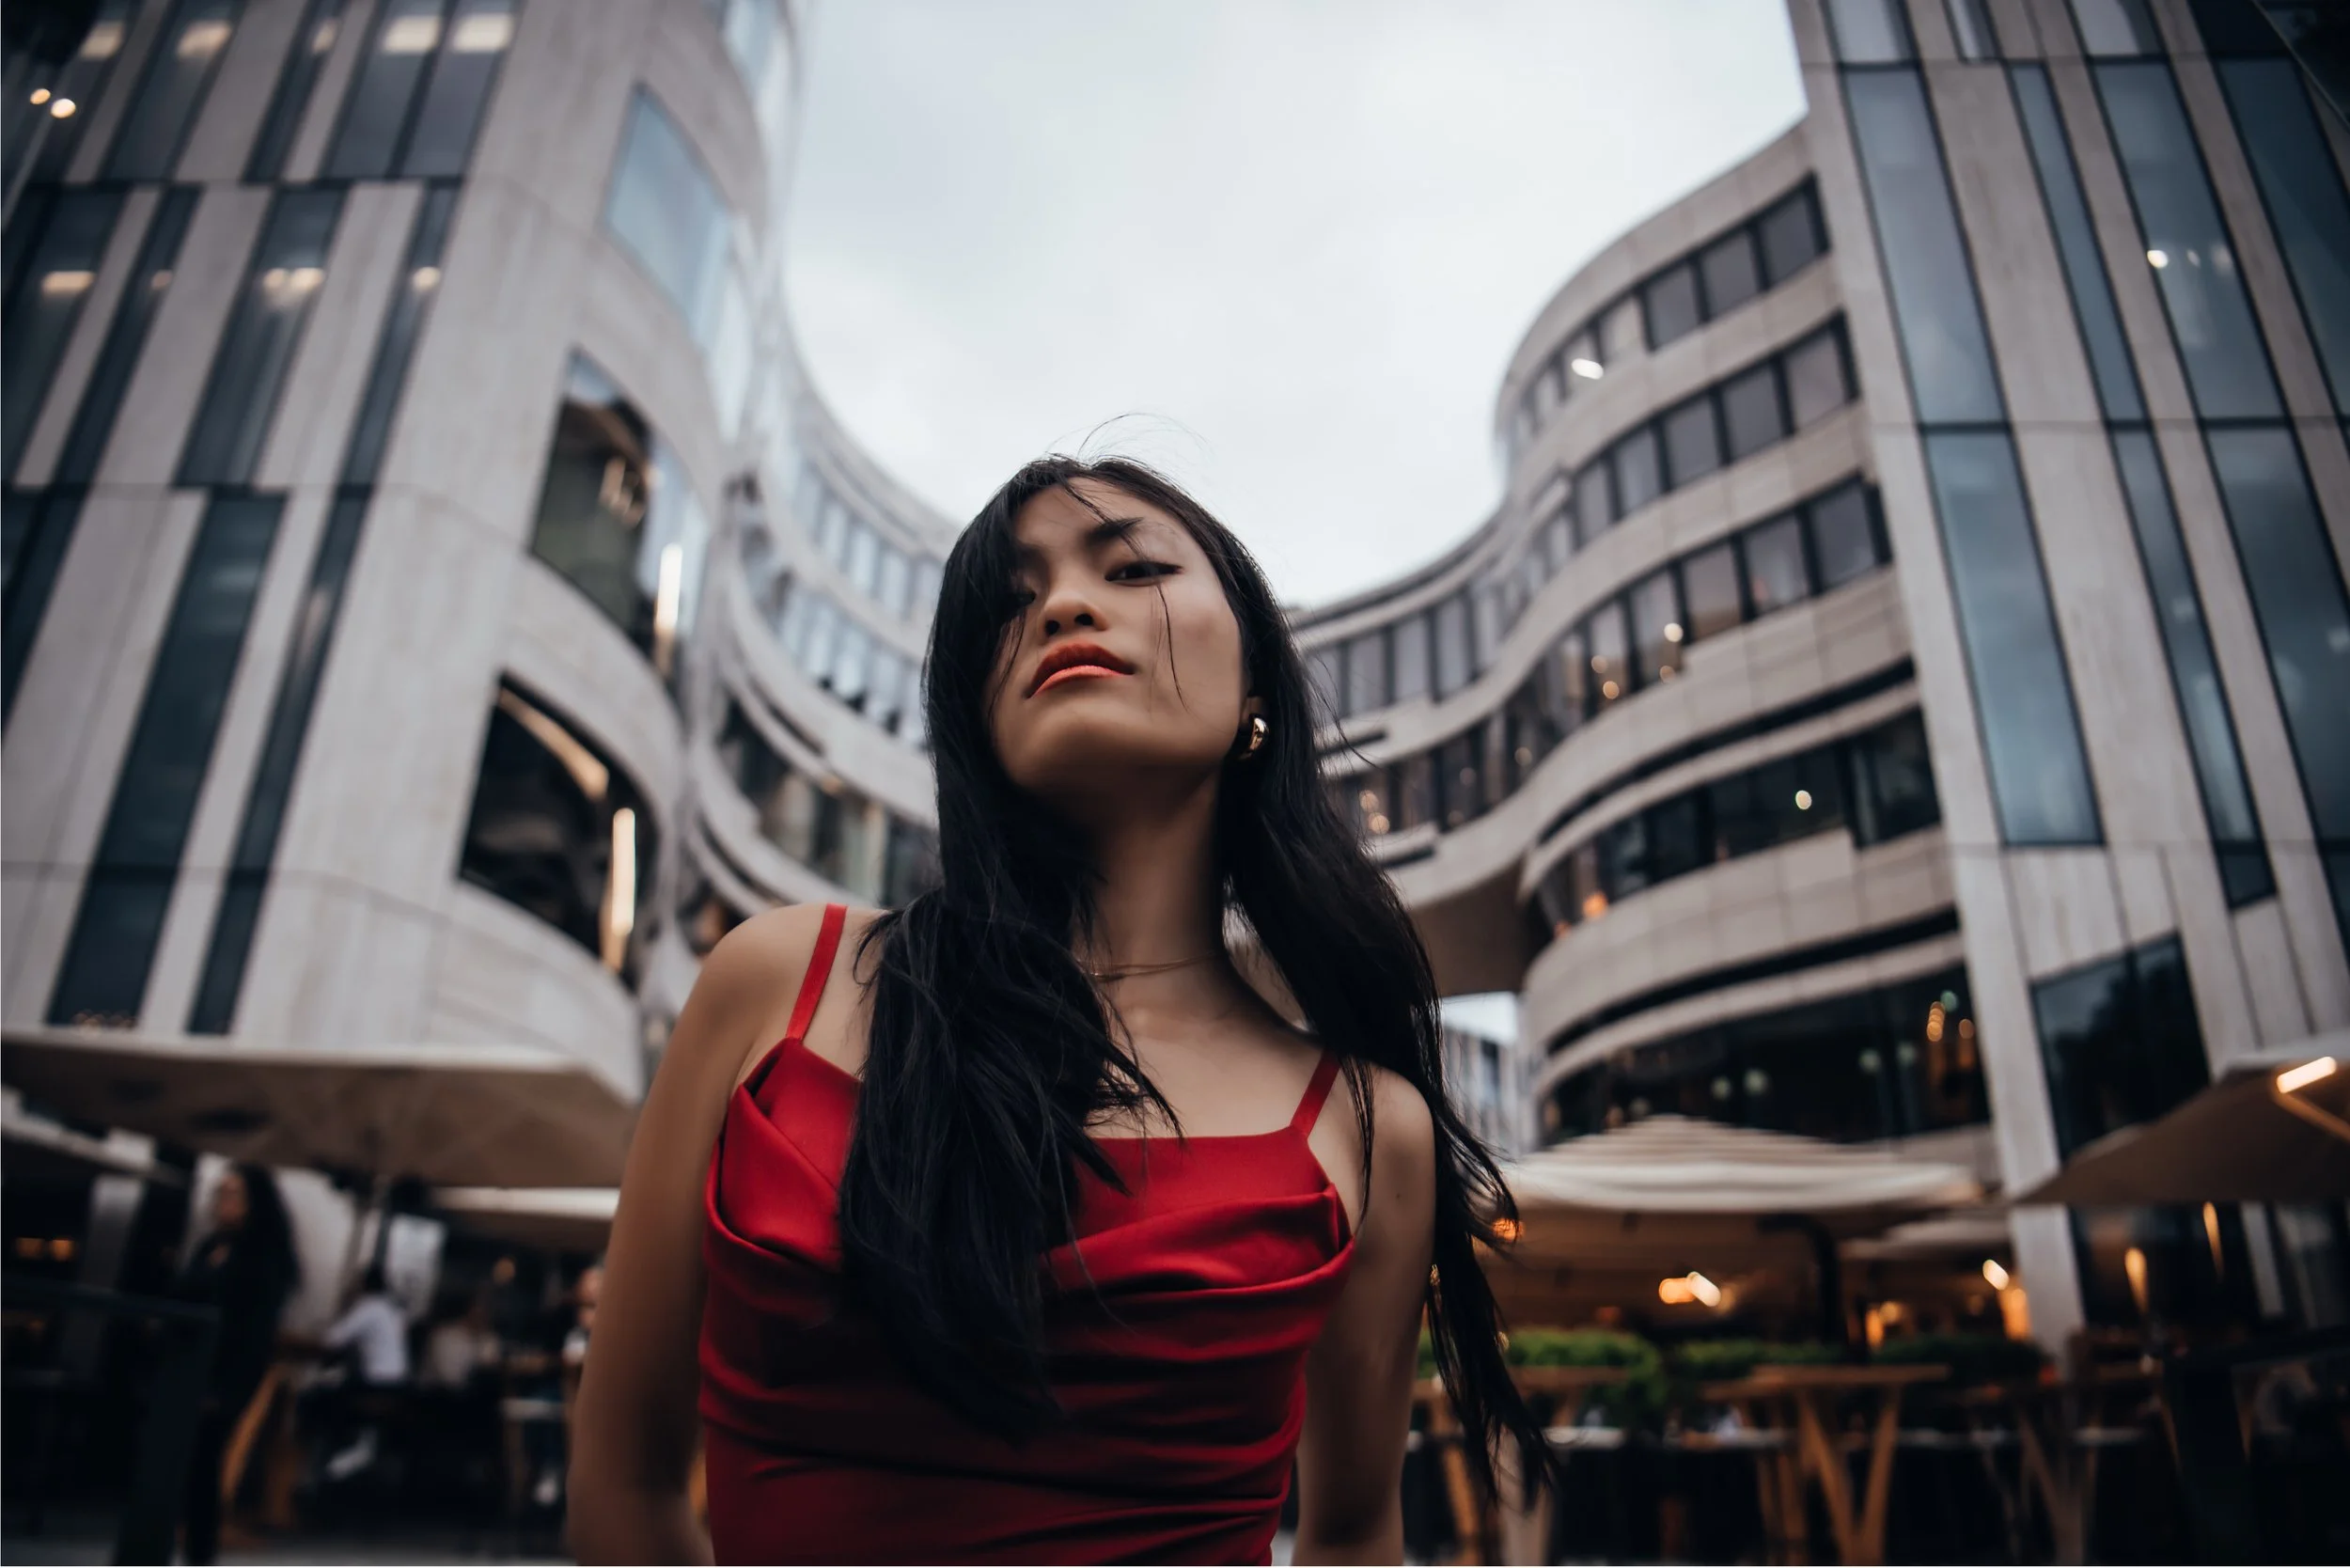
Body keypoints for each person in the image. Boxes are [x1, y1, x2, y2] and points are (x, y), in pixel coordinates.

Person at [571, 457, 1549, 1562]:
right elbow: (624, 1480)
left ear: (1258, 696)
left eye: (1132, 567)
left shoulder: (1371, 1131)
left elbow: (1353, 1536)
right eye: (1010, 601)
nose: (1066, 606)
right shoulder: (780, 985)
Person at [173, 1164, 299, 1566]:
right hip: (186, 1366)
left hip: (227, 1372)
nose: (225, 1201)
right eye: (221, 1192)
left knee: (206, 1456)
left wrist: (225, 1385)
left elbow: (255, 1328)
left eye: (234, 1193)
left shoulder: (264, 1256)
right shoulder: (211, 1245)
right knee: (183, 1456)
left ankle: (199, 1550)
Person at [317, 1263, 409, 1482]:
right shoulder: (392, 1310)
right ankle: (348, 1462)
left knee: (319, 1402)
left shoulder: (369, 1307)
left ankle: (329, 1471)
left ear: (363, 1286)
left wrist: (346, 1304)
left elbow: (332, 1339)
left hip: (374, 1385)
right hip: (397, 1387)